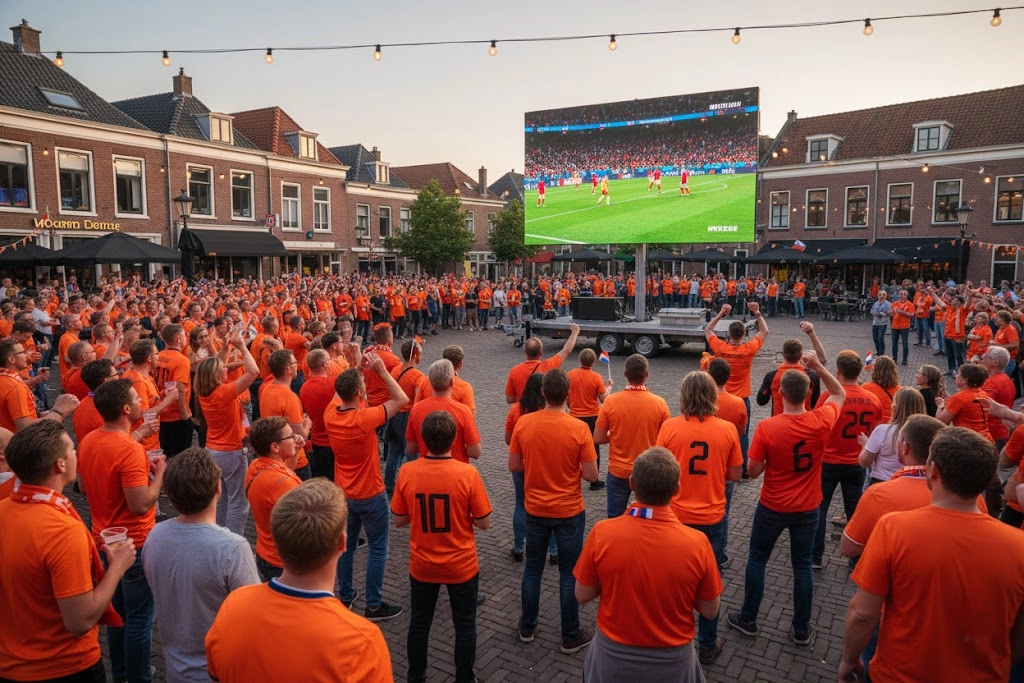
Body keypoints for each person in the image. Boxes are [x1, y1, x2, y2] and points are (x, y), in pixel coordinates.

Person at [839, 427, 1024, 683]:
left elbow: (862, 613)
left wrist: (849, 659)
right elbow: (1018, 632)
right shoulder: (1019, 546)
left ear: (933, 471)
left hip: (899, 674)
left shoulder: (894, 528)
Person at [205, 479, 394, 682]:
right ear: (342, 543)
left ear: (277, 539)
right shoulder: (362, 641)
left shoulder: (233, 606)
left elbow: (216, 672)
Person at [0, 421, 136, 683]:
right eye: (72, 450)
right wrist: (117, 567)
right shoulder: (62, 531)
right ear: (60, 465)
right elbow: (80, 621)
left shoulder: (5, 509)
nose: (76, 455)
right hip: (62, 666)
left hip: (10, 663)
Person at [574, 446, 721, 682]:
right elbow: (710, 609)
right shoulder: (697, 543)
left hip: (612, 658)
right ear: (677, 490)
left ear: (632, 483)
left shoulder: (603, 533)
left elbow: (582, 594)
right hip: (673, 662)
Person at [728, 351, 844, 647]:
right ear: (809, 393)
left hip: (773, 505)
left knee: (757, 559)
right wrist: (818, 365)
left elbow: (752, 472)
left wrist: (767, 461)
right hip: (808, 507)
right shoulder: (821, 420)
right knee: (802, 565)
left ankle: (749, 618)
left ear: (779, 392)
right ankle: (801, 629)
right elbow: (839, 392)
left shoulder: (768, 428)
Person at [142, 447, 260, 683]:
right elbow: (255, 616)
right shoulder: (232, 548)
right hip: (220, 672)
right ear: (218, 488)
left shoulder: (155, 536)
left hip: (175, 669)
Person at [392, 411, 493, 683]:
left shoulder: (407, 471)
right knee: (464, 624)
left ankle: (416, 675)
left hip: (422, 564)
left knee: (420, 623)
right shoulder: (467, 474)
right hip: (461, 565)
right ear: (454, 439)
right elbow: (484, 523)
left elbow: (399, 519)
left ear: (424, 439)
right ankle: (464, 677)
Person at [77, 379, 167, 683]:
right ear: (127, 409)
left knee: (116, 614)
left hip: (104, 539)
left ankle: (121, 672)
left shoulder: (90, 440)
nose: (143, 402)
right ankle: (140, 677)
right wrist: (159, 476)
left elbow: (83, 485)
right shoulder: (130, 450)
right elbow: (140, 504)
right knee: (140, 618)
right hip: (135, 544)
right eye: (137, 399)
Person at [509, 368, 599, 654]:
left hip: (535, 508)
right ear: (569, 395)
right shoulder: (579, 428)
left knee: (532, 568)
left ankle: (527, 625)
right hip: (569, 510)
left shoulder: (524, 423)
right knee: (569, 573)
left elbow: (514, 465)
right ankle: (570, 634)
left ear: (544, 393)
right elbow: (592, 475)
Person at [655, 371, 741, 665]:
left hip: (675, 517)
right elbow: (735, 475)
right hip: (712, 518)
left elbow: (660, 472)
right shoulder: (728, 429)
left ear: (684, 396)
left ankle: (668, 637)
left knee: (670, 579)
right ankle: (706, 644)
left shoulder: (669, 427)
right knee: (708, 583)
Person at [325, 358, 408, 620]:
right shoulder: (364, 418)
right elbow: (401, 399)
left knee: (346, 547)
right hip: (370, 493)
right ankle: (373, 604)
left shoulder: (330, 415)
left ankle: (346, 595)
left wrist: (357, 370)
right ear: (360, 394)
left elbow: (341, 389)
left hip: (343, 494)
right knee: (377, 548)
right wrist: (381, 371)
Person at [812, 350, 883, 569]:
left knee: (820, 509)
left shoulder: (830, 397)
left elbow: (816, 426)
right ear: (860, 372)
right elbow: (873, 432)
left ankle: (815, 557)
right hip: (856, 462)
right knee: (854, 510)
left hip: (829, 461)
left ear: (838, 372)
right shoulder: (873, 399)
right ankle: (856, 558)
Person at [195, 332, 259, 535]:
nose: (226, 368)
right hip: (231, 451)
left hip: (212, 449)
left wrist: (228, 346)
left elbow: (216, 362)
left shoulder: (205, 392)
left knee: (221, 497)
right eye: (223, 369)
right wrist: (242, 347)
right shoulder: (223, 393)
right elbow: (253, 371)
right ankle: (233, 539)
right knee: (238, 501)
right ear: (216, 375)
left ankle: (219, 532)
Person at [594, 354, 671, 517]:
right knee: (648, 519)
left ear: (625, 374)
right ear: (647, 375)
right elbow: (666, 441)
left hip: (618, 471)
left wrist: (614, 435)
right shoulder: (660, 403)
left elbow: (598, 438)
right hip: (648, 472)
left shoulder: (610, 401)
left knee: (615, 518)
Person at [706, 301, 769, 474]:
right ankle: (741, 468)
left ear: (728, 334)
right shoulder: (748, 349)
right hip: (741, 400)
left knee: (715, 431)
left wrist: (721, 313)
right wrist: (757, 312)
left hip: (718, 397)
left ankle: (715, 462)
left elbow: (708, 330)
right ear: (743, 335)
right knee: (741, 435)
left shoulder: (720, 347)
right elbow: (764, 331)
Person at [244, 416, 303, 581]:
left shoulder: (255, 466)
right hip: (284, 562)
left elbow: (282, 472)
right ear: (275, 447)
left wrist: (295, 451)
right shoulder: (283, 484)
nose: (296, 438)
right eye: (290, 436)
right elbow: (305, 525)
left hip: (265, 552)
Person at [405, 359, 482, 465]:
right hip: (457, 470)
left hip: (427, 469)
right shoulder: (464, 411)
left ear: (430, 383)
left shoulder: (416, 409)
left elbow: (411, 448)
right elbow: (475, 452)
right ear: (452, 382)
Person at [0, 337, 78, 431]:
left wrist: (39, 416)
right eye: (23, 352)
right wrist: (58, 411)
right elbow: (24, 426)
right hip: (17, 441)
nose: (28, 355)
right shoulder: (14, 386)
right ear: (11, 359)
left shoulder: (5, 380)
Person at [259, 349, 313, 481]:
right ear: (288, 369)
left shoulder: (266, 389)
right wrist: (308, 422)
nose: (297, 365)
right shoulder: (289, 397)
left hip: (275, 456)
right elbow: (301, 436)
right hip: (295, 460)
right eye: (295, 362)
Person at [382, 339, 427, 494]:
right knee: (412, 452)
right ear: (415, 355)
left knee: (394, 451)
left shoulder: (395, 370)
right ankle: (413, 485)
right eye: (420, 353)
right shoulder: (418, 376)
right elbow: (418, 401)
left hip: (394, 414)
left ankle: (389, 484)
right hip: (408, 416)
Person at [858, 388, 926, 485]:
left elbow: (864, 462)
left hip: (882, 482)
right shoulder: (924, 433)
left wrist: (865, 445)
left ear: (894, 408)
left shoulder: (882, 431)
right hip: (912, 483)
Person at [754, 323, 824, 416]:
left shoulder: (772, 376)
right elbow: (815, 402)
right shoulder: (812, 375)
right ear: (800, 355)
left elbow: (761, 401)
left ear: (783, 355)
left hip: (779, 422)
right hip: (803, 421)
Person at [567, 348, 612, 490]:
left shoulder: (570, 375)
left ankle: (572, 476)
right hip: (592, 417)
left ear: (580, 360)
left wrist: (572, 406)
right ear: (593, 362)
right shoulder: (596, 377)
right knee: (593, 449)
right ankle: (594, 480)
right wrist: (608, 387)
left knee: (573, 448)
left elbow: (568, 399)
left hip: (574, 417)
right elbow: (604, 399)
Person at [505, 322, 580, 403]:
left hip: (521, 413)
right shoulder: (548, 366)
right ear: (541, 352)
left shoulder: (515, 371)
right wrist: (575, 333)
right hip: (541, 412)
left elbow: (510, 399)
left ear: (525, 352)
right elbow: (566, 351)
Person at [154, 324, 194, 457]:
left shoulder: (158, 355)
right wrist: (184, 414)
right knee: (180, 457)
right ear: (178, 339)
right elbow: (180, 388)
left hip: (160, 412)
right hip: (175, 415)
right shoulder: (182, 360)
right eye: (184, 335)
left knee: (165, 455)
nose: (186, 338)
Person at [937, 362, 994, 442]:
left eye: (958, 375)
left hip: (968, 441)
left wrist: (940, 406)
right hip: (986, 438)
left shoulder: (959, 398)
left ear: (964, 380)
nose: (956, 376)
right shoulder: (983, 394)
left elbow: (941, 422)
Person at [861, 355, 900, 422]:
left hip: (875, 426)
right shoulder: (899, 390)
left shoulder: (866, 388)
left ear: (875, 370)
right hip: (892, 425)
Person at [889, 289, 914, 365]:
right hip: (895, 326)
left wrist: (901, 312)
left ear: (907, 296)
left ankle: (905, 359)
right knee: (894, 344)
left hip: (904, 326)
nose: (901, 296)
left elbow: (911, 315)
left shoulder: (910, 304)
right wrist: (890, 312)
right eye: (900, 294)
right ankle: (894, 358)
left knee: (905, 343)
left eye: (904, 294)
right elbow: (891, 313)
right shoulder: (894, 303)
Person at [869, 290, 891, 356]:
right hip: (875, 322)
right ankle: (878, 351)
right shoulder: (876, 303)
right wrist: (874, 313)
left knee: (880, 338)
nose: (882, 296)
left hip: (883, 323)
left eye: (884, 295)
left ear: (886, 296)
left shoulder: (888, 304)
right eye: (880, 295)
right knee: (875, 338)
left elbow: (889, 313)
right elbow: (871, 311)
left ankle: (881, 352)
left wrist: (882, 314)